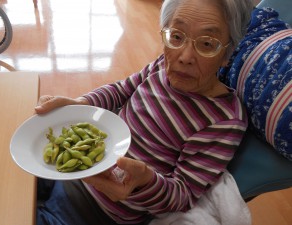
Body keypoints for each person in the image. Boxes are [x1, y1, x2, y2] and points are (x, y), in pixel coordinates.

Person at [35, 0, 254, 224]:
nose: (185, 56)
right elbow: (120, 90)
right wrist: (81, 103)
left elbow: (182, 195)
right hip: (70, 164)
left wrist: (144, 181)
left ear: (228, 53)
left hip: (95, 212)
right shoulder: (161, 66)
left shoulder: (224, 120)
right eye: (176, 36)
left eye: (207, 44)